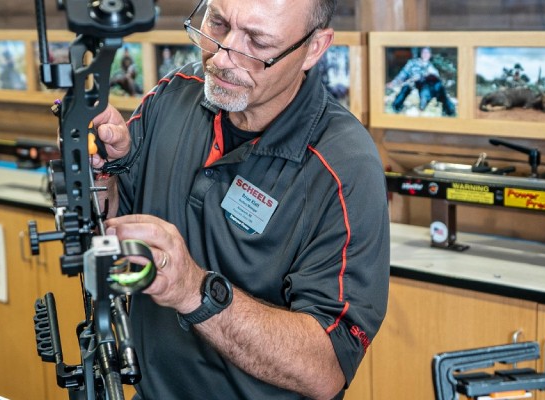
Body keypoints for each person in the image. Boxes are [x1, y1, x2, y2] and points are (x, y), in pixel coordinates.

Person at [89, 0, 390, 399]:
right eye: (217, 23)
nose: (222, 56)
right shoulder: (175, 93)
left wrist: (194, 290)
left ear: (315, 47)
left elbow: (327, 368)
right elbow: (116, 219)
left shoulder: (344, 167)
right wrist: (100, 174)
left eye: (258, 42)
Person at [388, 46, 455, 116]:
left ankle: (449, 110)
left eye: (428, 53)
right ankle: (396, 107)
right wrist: (394, 82)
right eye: (424, 52)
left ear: (430, 55)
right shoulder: (412, 63)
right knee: (406, 87)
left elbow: (437, 78)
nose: (426, 54)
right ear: (421, 53)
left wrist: (431, 75)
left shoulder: (431, 67)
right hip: (413, 83)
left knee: (439, 87)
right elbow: (402, 74)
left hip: (427, 86)